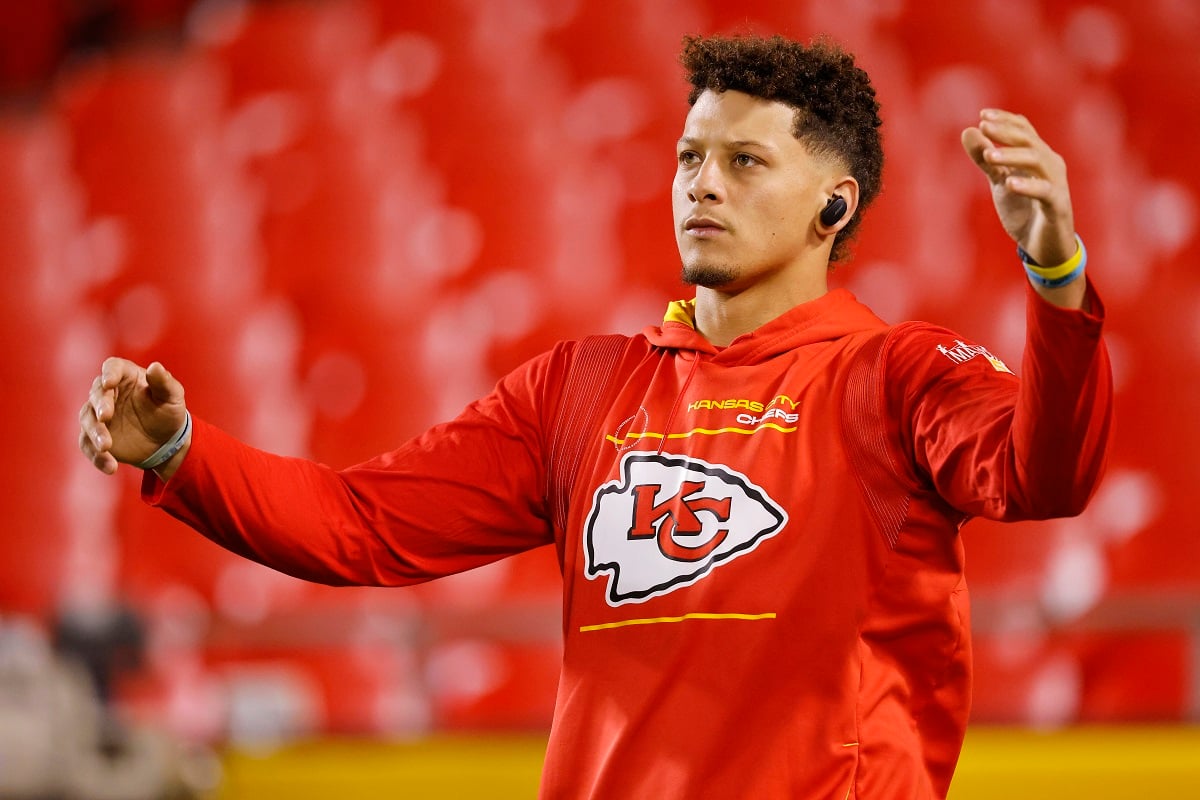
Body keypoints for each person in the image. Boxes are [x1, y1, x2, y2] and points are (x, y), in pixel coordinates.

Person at [79, 33, 1111, 799]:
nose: (701, 186)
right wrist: (180, 445)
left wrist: (1055, 275)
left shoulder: (895, 377)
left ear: (832, 205)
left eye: (744, 161)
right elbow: (359, 525)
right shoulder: (580, 390)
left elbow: (1043, 474)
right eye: (689, 157)